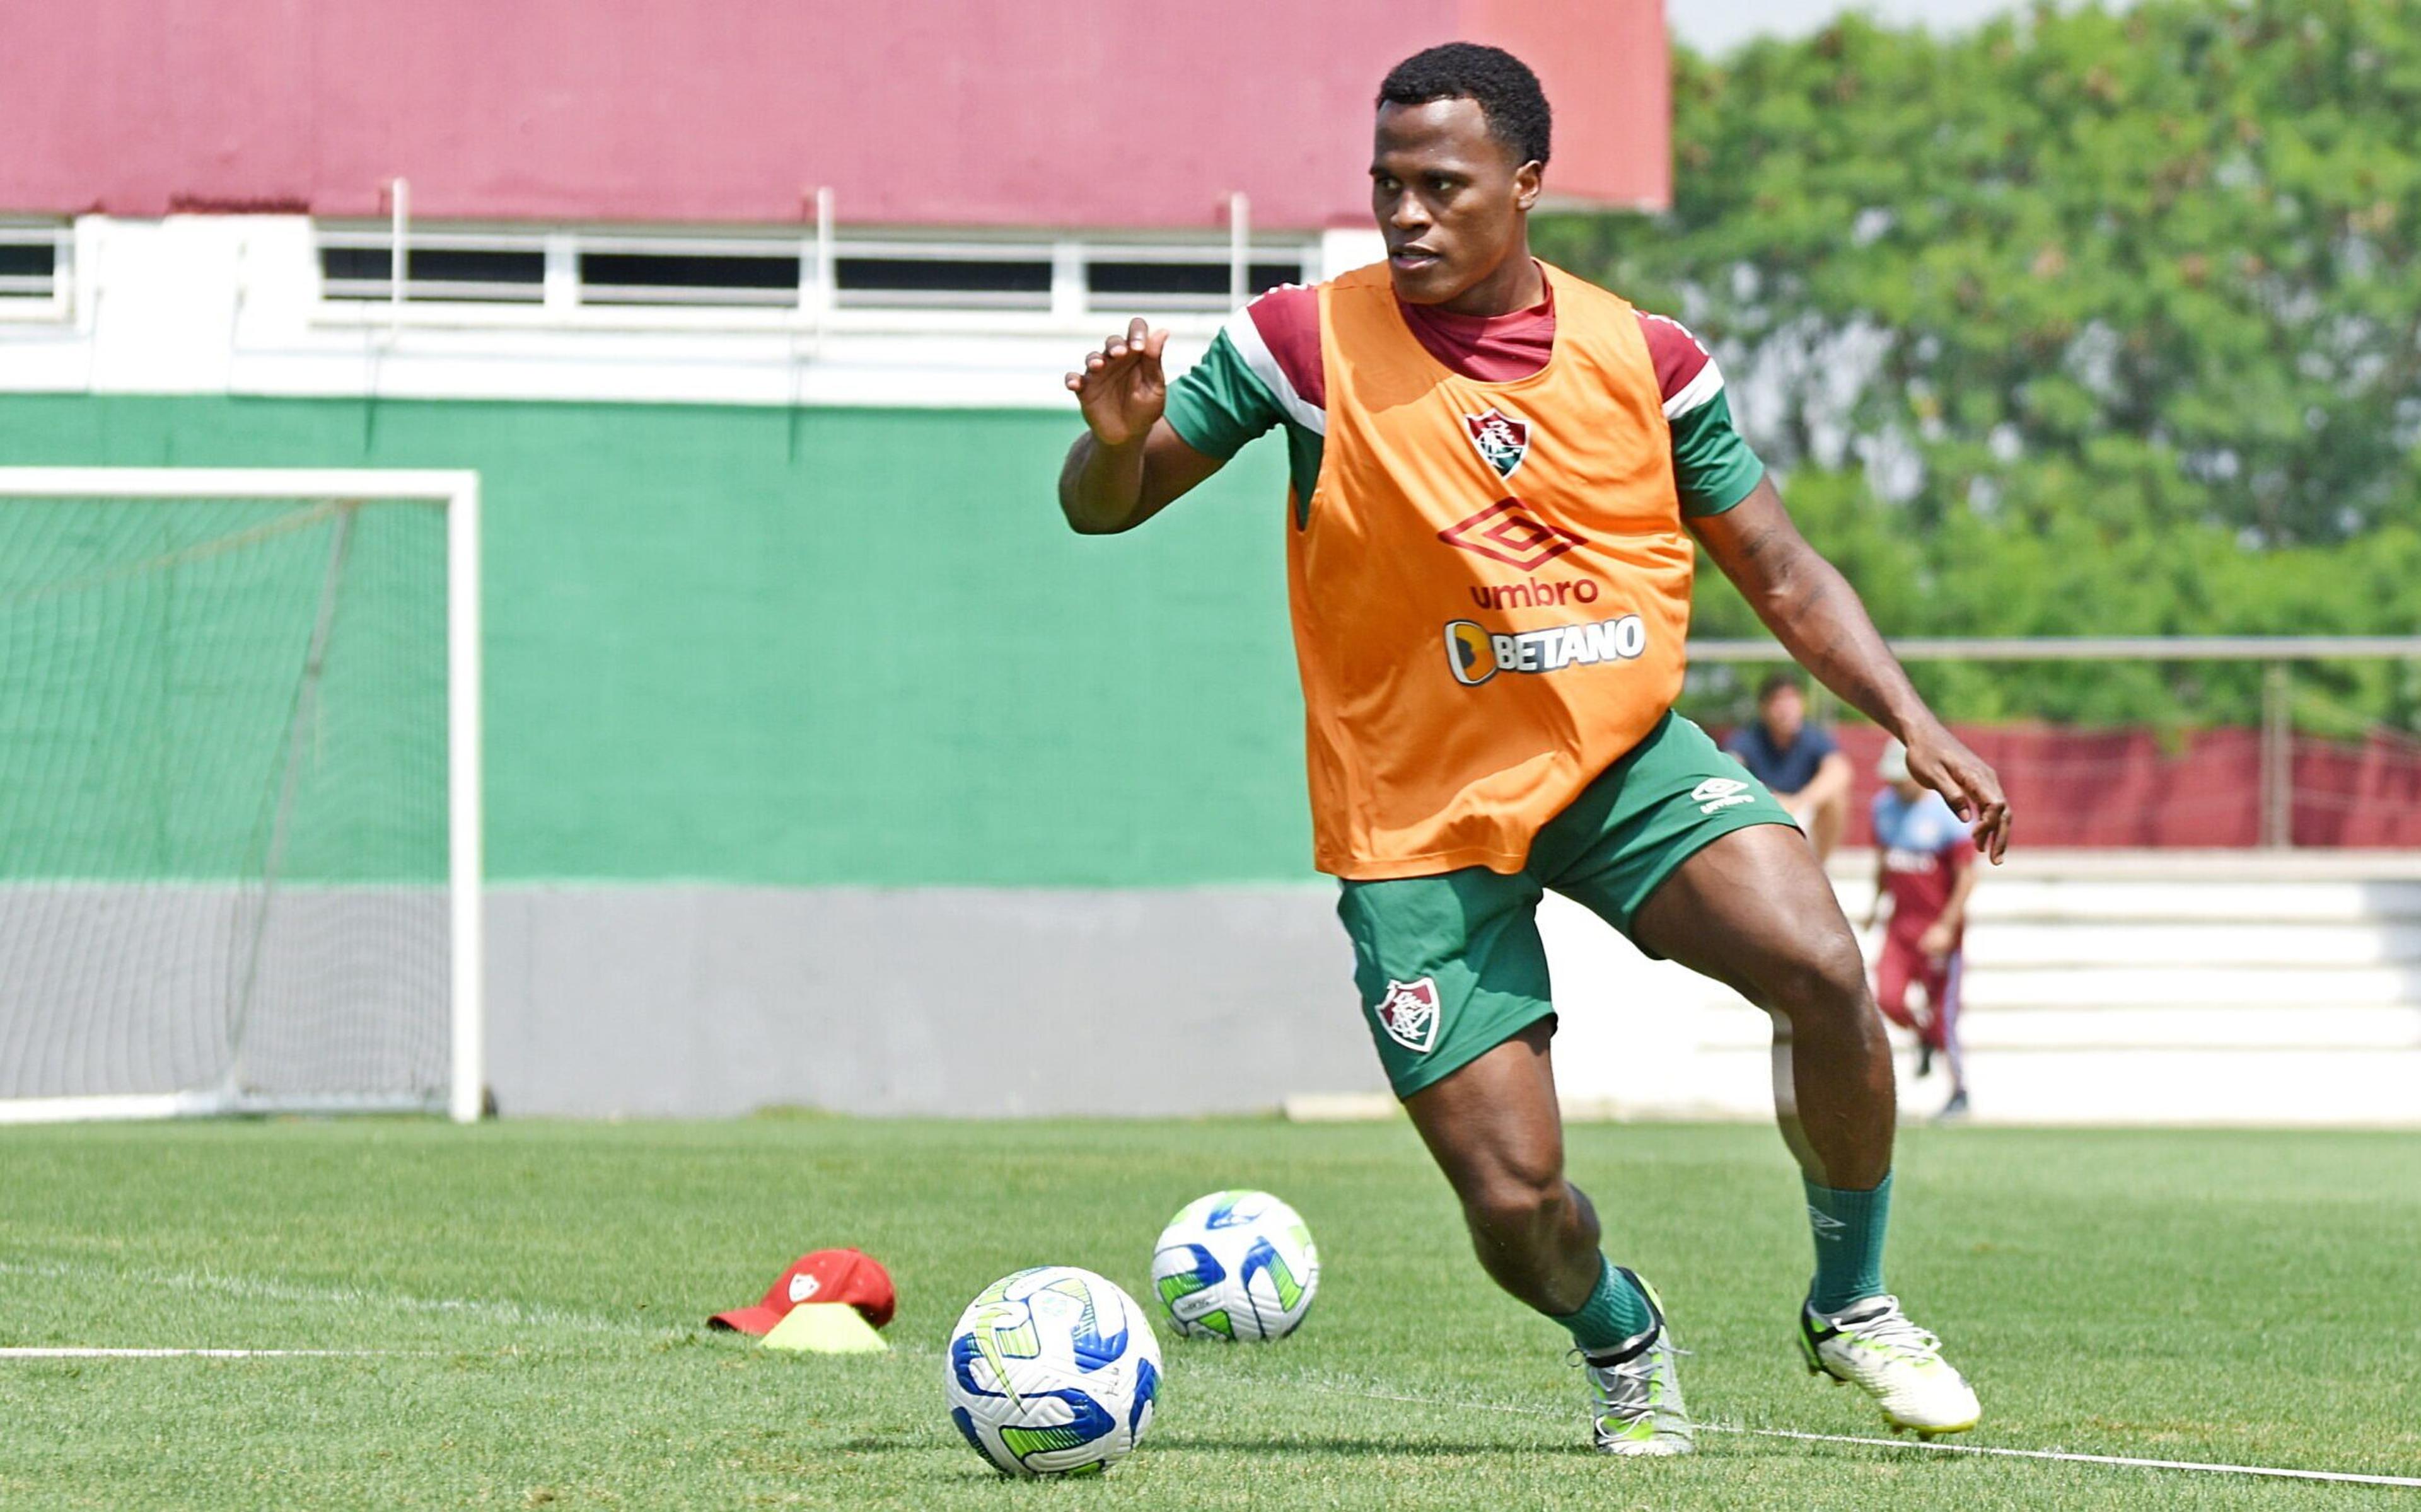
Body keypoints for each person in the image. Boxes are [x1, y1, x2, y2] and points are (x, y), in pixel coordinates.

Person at [1056, 43, 2011, 1456]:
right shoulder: (1302, 346)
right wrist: (1115, 445)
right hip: (1416, 820)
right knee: (1515, 1204)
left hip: (1615, 763)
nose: (1406, 215)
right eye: (1387, 184)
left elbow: (1786, 571)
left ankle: (1853, 1299)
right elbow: (1102, 509)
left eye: (1442, 185)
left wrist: (1913, 721)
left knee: (1819, 960)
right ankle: (1619, 1326)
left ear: (1526, 183)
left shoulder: (1651, 361)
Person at [1866, 740, 1978, 1120]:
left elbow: (1966, 877)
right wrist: (1874, 905)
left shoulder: (1948, 814)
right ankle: (1923, 1037)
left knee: (1945, 1016)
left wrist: (1946, 928)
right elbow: (1884, 862)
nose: (1896, 787)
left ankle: (1959, 1091)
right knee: (1888, 998)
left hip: (1938, 933)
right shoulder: (1882, 808)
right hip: (1900, 927)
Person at [1726, 671, 1854, 862]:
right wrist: (1769, 798)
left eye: (1792, 699)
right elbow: (1730, 767)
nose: (1786, 708)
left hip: (1803, 811)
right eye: (1778, 701)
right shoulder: (1748, 738)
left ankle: (1821, 867)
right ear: (1764, 707)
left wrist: (1799, 802)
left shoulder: (1812, 737)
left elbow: (1840, 770)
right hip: (1761, 813)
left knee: (1836, 799)